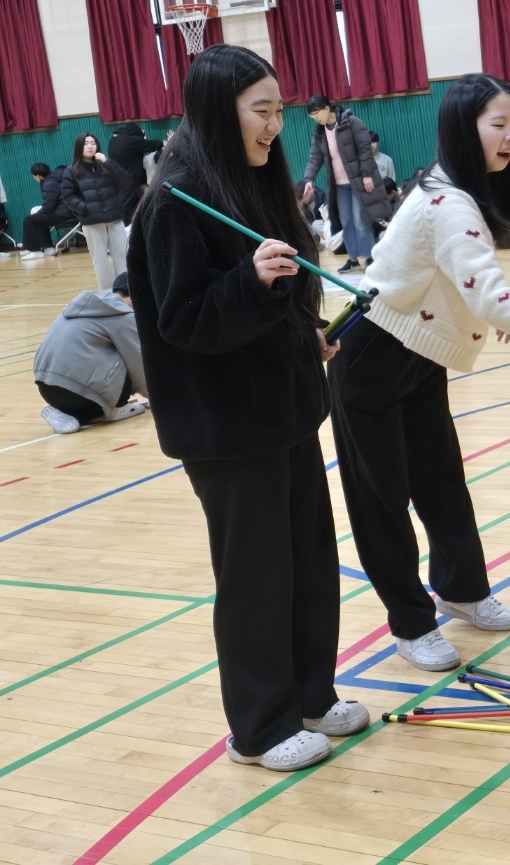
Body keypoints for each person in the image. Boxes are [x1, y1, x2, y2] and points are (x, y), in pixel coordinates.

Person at [328, 74, 510, 672]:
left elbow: (461, 280)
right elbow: (487, 293)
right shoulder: (447, 201)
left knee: (441, 482)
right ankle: (412, 625)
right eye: (498, 124)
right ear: (464, 129)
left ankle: (462, 591)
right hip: (370, 355)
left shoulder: (462, 190)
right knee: (381, 502)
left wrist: (478, 311)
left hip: (418, 353)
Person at [128, 44, 365, 774]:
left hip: (284, 411)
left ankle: (310, 696)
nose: (274, 125)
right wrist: (251, 283)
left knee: (308, 565)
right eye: (261, 110)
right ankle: (259, 728)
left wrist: (304, 334)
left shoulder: (251, 180)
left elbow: (276, 293)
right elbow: (184, 319)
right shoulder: (174, 200)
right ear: (216, 111)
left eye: (278, 109)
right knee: (257, 577)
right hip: (227, 428)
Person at [33, 272, 147, 434]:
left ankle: (64, 411)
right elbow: (139, 362)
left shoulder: (86, 304)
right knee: (125, 351)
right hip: (79, 394)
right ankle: (116, 408)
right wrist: (159, 395)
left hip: (46, 387)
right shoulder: (123, 314)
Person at [301, 94, 391, 274]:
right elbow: (314, 157)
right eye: (312, 115)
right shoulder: (319, 132)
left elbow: (365, 150)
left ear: (327, 108)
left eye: (317, 113)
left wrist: (367, 175)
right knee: (346, 222)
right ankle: (353, 259)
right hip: (339, 186)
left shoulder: (352, 122)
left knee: (360, 220)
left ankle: (369, 257)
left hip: (358, 182)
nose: (315, 118)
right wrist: (308, 179)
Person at [62, 133, 130, 289]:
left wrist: (108, 163)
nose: (90, 146)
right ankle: (107, 292)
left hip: (115, 218)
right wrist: (85, 209)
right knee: (100, 259)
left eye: (93, 143)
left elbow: (126, 182)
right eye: (86, 143)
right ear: (79, 147)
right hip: (92, 221)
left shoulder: (106, 165)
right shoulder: (71, 171)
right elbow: (68, 197)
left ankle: (126, 289)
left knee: (122, 256)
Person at [107, 123, 167, 224]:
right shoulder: (131, 140)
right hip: (130, 181)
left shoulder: (113, 141)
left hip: (116, 179)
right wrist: (164, 143)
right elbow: (151, 145)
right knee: (128, 208)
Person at [21, 163, 74, 259]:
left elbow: (48, 207)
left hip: (64, 213)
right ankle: (49, 248)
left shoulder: (49, 183)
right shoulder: (57, 177)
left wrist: (37, 214)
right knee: (39, 218)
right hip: (70, 210)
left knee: (29, 220)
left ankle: (34, 251)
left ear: (38, 176)